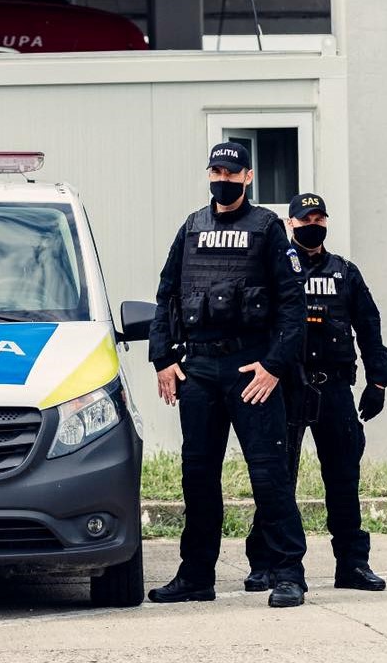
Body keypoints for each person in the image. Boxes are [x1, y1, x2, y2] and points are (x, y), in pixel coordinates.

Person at [147, 141, 309, 608]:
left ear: (247, 178)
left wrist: (274, 366)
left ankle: (288, 574)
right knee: (197, 476)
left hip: (249, 367)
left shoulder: (267, 228)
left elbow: (293, 305)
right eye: (216, 171)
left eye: (232, 173)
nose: (223, 179)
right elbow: (166, 295)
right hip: (198, 368)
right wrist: (163, 359)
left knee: (269, 474)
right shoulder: (192, 226)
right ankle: (196, 577)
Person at [244, 193, 387, 592]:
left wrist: (379, 381)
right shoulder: (275, 269)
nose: (313, 225)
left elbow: (370, 326)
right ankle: (264, 563)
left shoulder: (345, 272)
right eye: (305, 219)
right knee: (277, 480)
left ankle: (352, 564)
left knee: (344, 478)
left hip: (334, 388)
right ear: (290, 224)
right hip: (286, 387)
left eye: (319, 218)